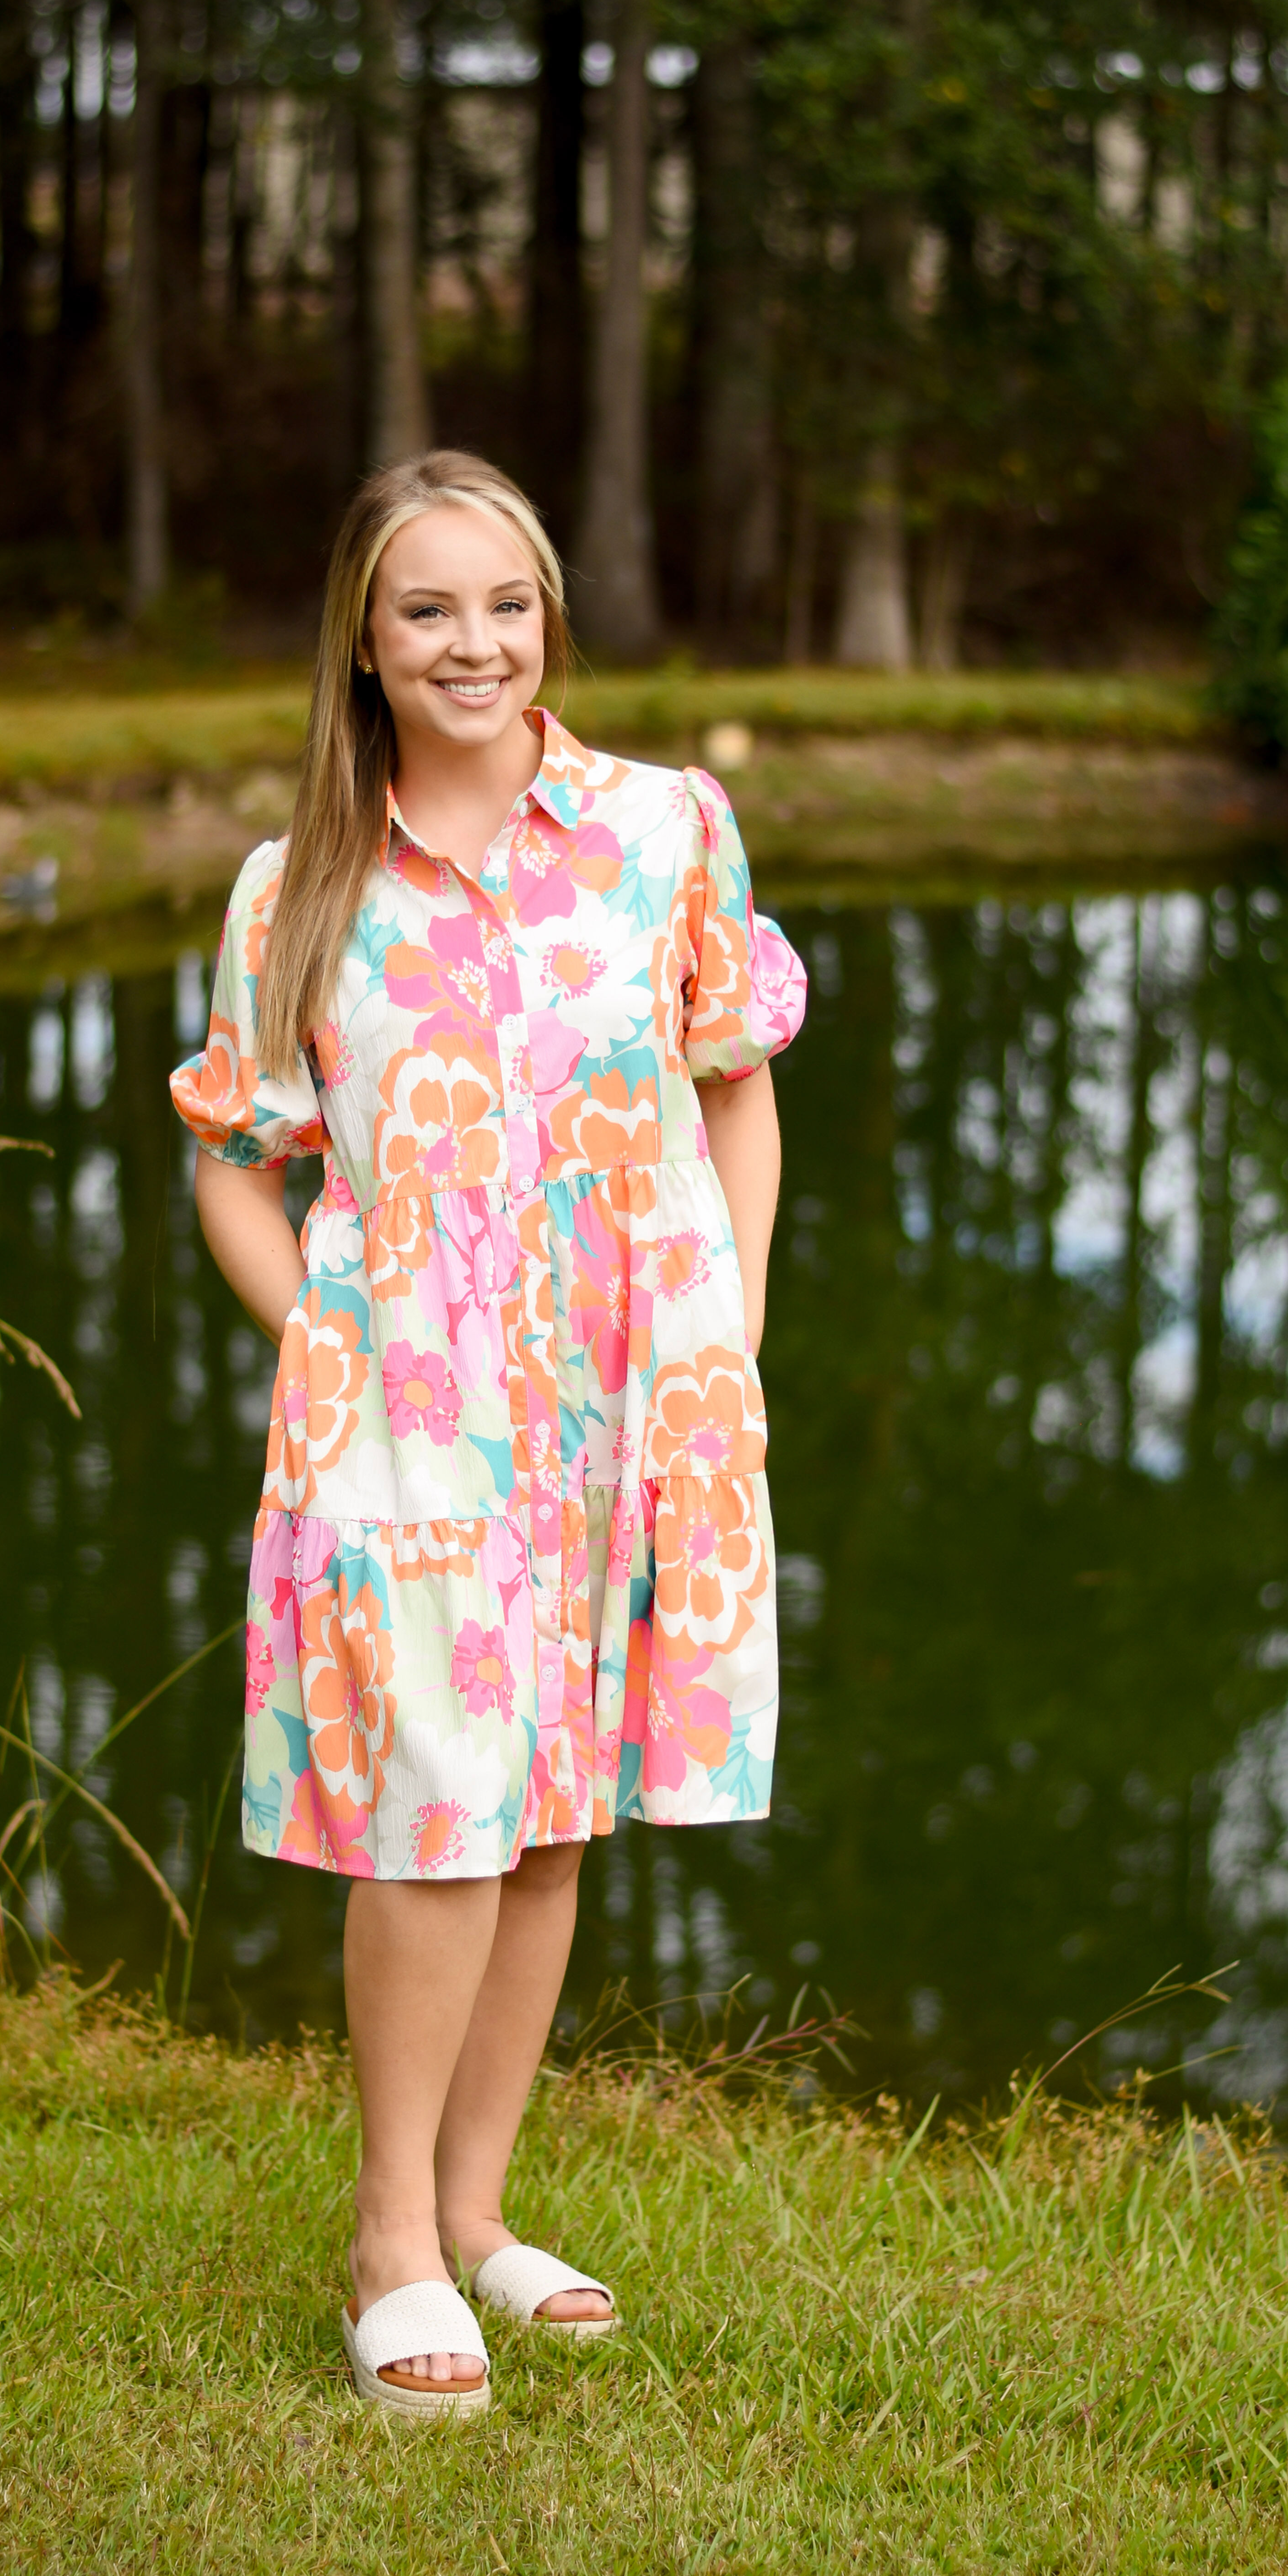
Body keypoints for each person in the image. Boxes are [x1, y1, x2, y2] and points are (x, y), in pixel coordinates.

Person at [171, 450, 806, 2416]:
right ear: (363, 643)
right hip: (413, 1418)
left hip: (630, 1396)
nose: (475, 643)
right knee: (434, 1811)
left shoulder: (661, 827)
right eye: (429, 609)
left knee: (545, 1817)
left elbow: (734, 1085)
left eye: (506, 604)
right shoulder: (298, 885)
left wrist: (727, 1342)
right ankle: (386, 2242)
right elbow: (234, 1155)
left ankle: (476, 2215)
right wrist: (331, 1341)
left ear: (550, 618)